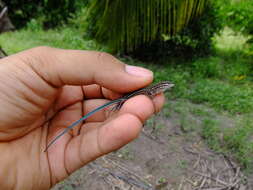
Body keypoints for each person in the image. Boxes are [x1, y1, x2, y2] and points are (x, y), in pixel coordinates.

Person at [0, 46, 165, 189]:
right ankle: (117, 104)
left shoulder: (152, 92)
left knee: (126, 111)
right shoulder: (150, 92)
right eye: (165, 86)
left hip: (121, 98)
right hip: (122, 98)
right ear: (160, 87)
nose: (167, 87)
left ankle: (117, 104)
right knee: (123, 105)